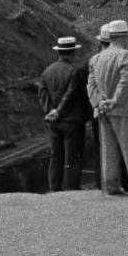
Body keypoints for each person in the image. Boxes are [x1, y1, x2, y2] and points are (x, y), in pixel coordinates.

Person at [87, 19, 128, 196]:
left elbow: (91, 85)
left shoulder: (95, 59)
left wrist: (99, 102)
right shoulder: (125, 55)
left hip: (103, 110)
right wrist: (115, 100)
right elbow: (126, 80)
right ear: (124, 36)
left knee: (108, 151)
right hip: (123, 109)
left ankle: (111, 186)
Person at [37, 36, 90, 191]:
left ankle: (54, 188)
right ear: (73, 52)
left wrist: (50, 112)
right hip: (72, 121)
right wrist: (59, 111)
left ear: (59, 52)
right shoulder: (75, 71)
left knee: (56, 156)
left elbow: (42, 93)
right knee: (72, 157)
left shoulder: (47, 71)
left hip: (54, 122)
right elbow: (71, 94)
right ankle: (72, 189)